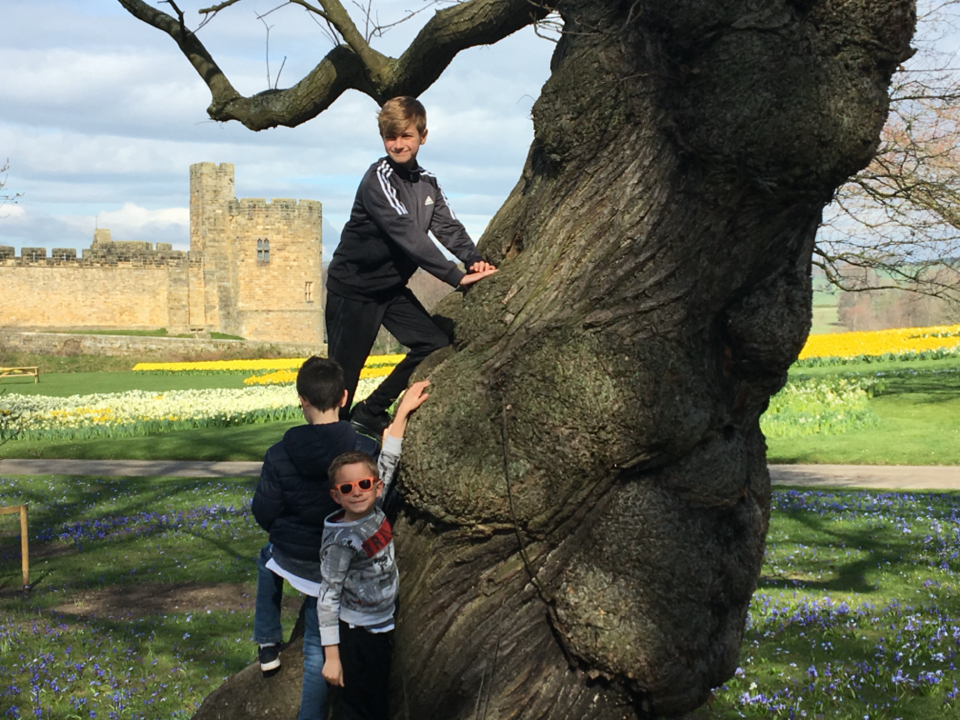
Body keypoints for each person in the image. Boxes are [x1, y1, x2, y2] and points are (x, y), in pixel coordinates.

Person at [325, 95, 498, 437]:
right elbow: (406, 233)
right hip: (353, 292)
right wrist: (454, 277)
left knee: (433, 342)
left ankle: (371, 411)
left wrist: (473, 260)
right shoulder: (378, 179)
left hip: (390, 290)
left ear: (423, 135)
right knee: (341, 383)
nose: (398, 144)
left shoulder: (427, 184)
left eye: (406, 135)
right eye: (391, 137)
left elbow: (447, 226)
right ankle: (331, 449)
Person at [250, 356, 380, 720]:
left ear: (302, 400)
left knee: (266, 558)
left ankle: (267, 642)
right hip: (339, 566)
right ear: (344, 396)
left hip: (293, 556)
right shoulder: (365, 452)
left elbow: (264, 511)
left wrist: (285, 534)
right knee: (315, 651)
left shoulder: (279, 453)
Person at [317, 381, 429, 720]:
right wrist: (332, 656)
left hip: (384, 623)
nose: (357, 492)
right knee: (360, 708)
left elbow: (389, 459)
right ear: (336, 495)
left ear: (376, 487)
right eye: (347, 488)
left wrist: (402, 413)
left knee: (379, 700)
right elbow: (327, 597)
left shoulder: (376, 504)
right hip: (357, 634)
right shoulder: (341, 541)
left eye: (364, 484)